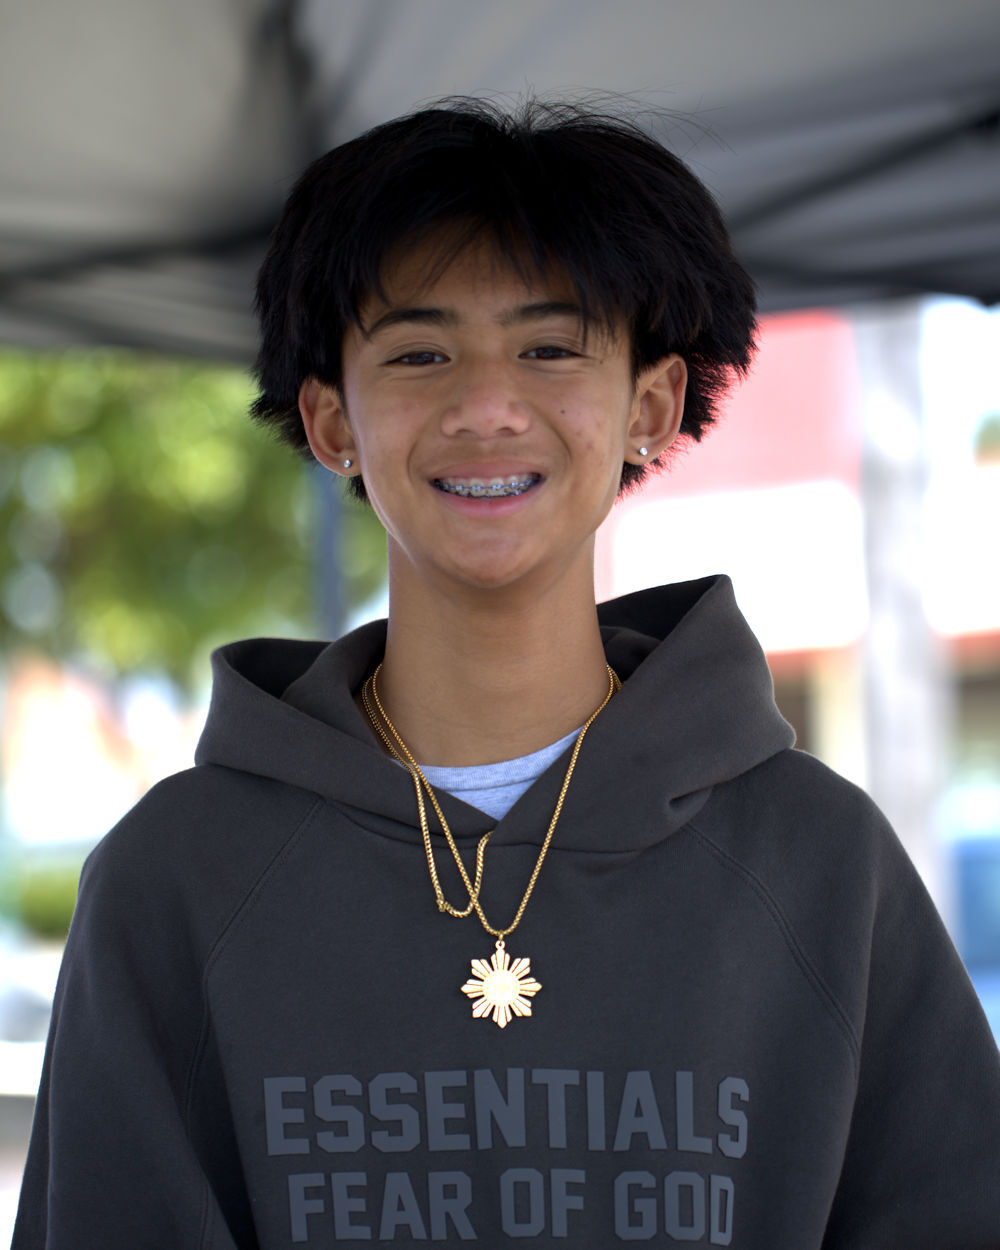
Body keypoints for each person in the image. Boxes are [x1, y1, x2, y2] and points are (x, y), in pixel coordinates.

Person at [14, 98, 1000, 1249]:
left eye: (549, 348)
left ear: (649, 404)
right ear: (331, 421)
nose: (486, 407)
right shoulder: (174, 877)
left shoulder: (820, 862)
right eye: (419, 353)